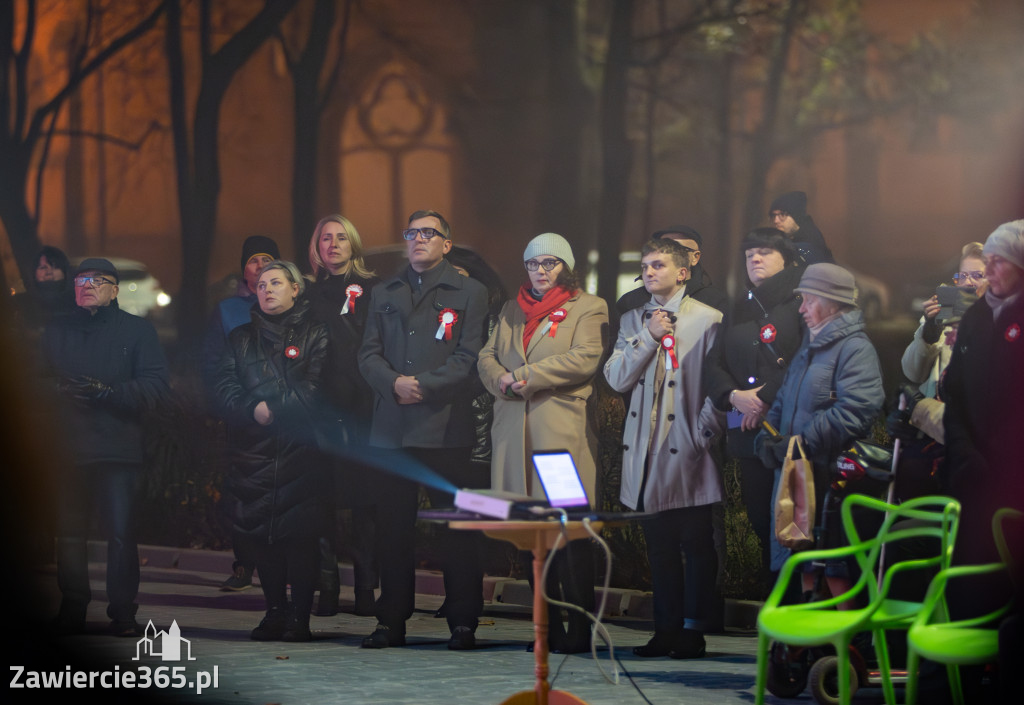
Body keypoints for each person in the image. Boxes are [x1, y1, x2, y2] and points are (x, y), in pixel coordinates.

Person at [358, 209, 490, 650]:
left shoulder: (470, 291)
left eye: (429, 233)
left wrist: (422, 387)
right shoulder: (384, 291)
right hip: (392, 430)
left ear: (446, 244)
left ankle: (463, 619)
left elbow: (469, 358)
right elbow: (368, 354)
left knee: (456, 529)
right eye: (411, 233)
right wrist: (392, 383)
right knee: (393, 531)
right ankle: (391, 620)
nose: (418, 239)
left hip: (444, 429)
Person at [478, 232, 608, 653]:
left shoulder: (588, 306)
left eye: (549, 263)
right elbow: (486, 355)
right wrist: (499, 377)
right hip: (515, 436)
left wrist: (525, 377)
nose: (540, 271)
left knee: (571, 534)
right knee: (535, 536)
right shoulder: (512, 308)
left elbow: (585, 357)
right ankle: (545, 628)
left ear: (566, 267)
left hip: (560, 440)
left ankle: (581, 628)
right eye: (533, 264)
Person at [604, 238, 725, 659]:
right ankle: (664, 628)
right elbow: (616, 379)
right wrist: (648, 338)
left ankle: (693, 629)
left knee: (695, 542)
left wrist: (703, 433)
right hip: (644, 447)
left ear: (683, 272)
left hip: (688, 447)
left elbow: (717, 385)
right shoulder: (632, 319)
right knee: (659, 546)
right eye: (645, 266)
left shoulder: (709, 319)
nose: (649, 272)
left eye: (658, 265)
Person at [41, 258, 170, 636]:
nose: (88, 285)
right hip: (69, 448)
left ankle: (123, 612)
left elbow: (157, 386)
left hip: (117, 447)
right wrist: (58, 391)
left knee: (120, 534)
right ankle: (73, 606)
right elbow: (33, 380)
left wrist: (110, 393)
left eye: (98, 280)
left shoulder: (137, 331)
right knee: (68, 533)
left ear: (115, 290)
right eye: (82, 279)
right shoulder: (57, 329)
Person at [754, 263, 884, 601]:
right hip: (799, 475)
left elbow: (857, 409)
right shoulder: (811, 347)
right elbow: (784, 397)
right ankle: (806, 645)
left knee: (830, 562)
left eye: (809, 300)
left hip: (829, 480)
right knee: (803, 563)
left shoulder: (855, 348)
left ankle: (839, 644)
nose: (801, 309)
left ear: (834, 302)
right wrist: (769, 438)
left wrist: (801, 443)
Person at [214, 260, 329, 642]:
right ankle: (274, 611)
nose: (267, 289)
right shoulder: (240, 338)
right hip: (255, 452)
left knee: (300, 537)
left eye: (276, 283)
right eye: (261, 284)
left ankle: (300, 616)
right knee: (263, 536)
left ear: (296, 289)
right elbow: (224, 387)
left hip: (302, 450)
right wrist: (251, 409)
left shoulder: (316, 332)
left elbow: (317, 387)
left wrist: (274, 409)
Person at [704, 228, 805, 580]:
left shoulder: (802, 302)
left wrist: (762, 399)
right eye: (749, 255)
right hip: (747, 433)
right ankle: (772, 612)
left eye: (764, 252)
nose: (755, 260)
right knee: (762, 520)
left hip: (789, 434)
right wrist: (735, 398)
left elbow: (807, 359)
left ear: (787, 259)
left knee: (794, 526)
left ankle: (797, 617)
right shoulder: (739, 307)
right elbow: (714, 364)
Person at [305, 214, 381, 617]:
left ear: (353, 244)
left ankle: (367, 589)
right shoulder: (306, 293)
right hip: (322, 409)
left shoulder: (373, 289)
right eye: (325, 239)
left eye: (340, 238)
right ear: (316, 248)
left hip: (365, 408)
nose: (332, 245)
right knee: (323, 500)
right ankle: (328, 587)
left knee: (365, 503)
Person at [202, 235, 281, 592]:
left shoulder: (287, 304)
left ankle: (281, 563)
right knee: (242, 491)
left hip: (282, 413)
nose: (260, 265)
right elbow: (213, 363)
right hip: (243, 413)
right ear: (244, 269)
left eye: (267, 258)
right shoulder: (228, 310)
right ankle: (243, 564)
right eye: (253, 260)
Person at [891, 242, 985, 446]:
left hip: (971, 434)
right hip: (932, 431)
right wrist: (929, 333)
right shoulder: (945, 311)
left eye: (978, 276)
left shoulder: (1002, 319)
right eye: (963, 275)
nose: (968, 282)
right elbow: (913, 373)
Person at [615, 225, 728, 315]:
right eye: (662, 248)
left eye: (678, 249)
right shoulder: (630, 302)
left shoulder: (715, 302)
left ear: (695, 257)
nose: (669, 254)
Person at [13, 245, 75, 330]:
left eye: (55, 267)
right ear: (33, 273)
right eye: (43, 267)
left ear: (65, 271)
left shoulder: (79, 302)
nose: (49, 272)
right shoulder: (21, 305)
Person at [768, 191, 834, 265]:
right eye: (773, 216)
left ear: (796, 216)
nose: (776, 221)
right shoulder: (787, 238)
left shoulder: (810, 242)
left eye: (782, 215)